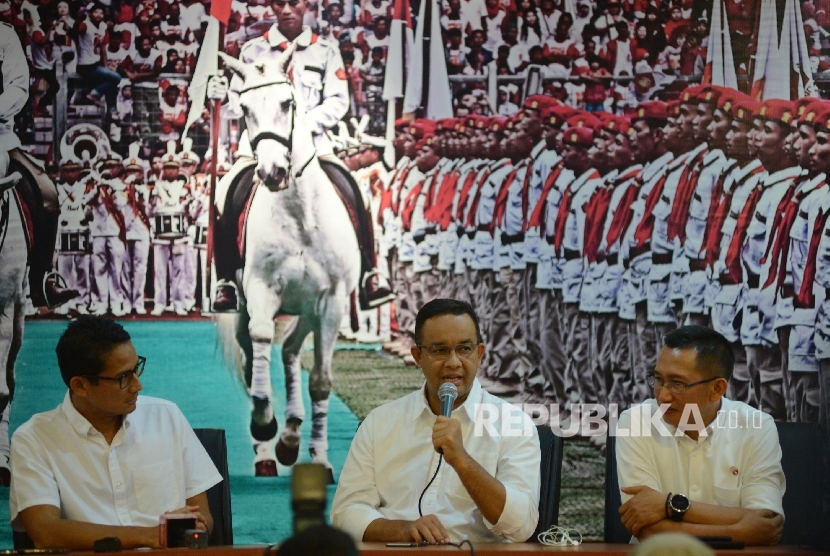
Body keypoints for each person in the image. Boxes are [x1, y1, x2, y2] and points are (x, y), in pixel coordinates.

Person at [207, 0, 394, 312]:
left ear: (307, 5)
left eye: (294, 2)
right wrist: (220, 95)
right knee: (226, 193)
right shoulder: (254, 50)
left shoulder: (325, 50)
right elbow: (237, 105)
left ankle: (370, 274)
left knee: (357, 192)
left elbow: (338, 101)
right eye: (280, 3)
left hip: (314, 148)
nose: (287, 9)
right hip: (261, 147)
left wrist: (301, 126)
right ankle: (226, 279)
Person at [331, 298, 540, 543]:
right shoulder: (380, 422)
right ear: (418, 356)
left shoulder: (513, 424)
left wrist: (461, 460)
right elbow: (345, 514)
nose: (453, 362)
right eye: (440, 350)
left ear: (479, 354)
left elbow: (521, 526)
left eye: (464, 349)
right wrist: (402, 530)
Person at [9, 316, 222, 549]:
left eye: (136, 368)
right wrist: (150, 536)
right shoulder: (34, 439)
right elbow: (46, 532)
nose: (137, 385)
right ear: (80, 386)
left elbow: (203, 516)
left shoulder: (167, 417)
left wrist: (196, 528)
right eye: (123, 377)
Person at [615, 325, 786, 545]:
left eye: (677, 383)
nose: (663, 396)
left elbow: (767, 522)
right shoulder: (636, 422)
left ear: (717, 389)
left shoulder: (757, 426)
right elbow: (648, 530)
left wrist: (669, 505)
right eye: (658, 380)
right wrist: (741, 531)